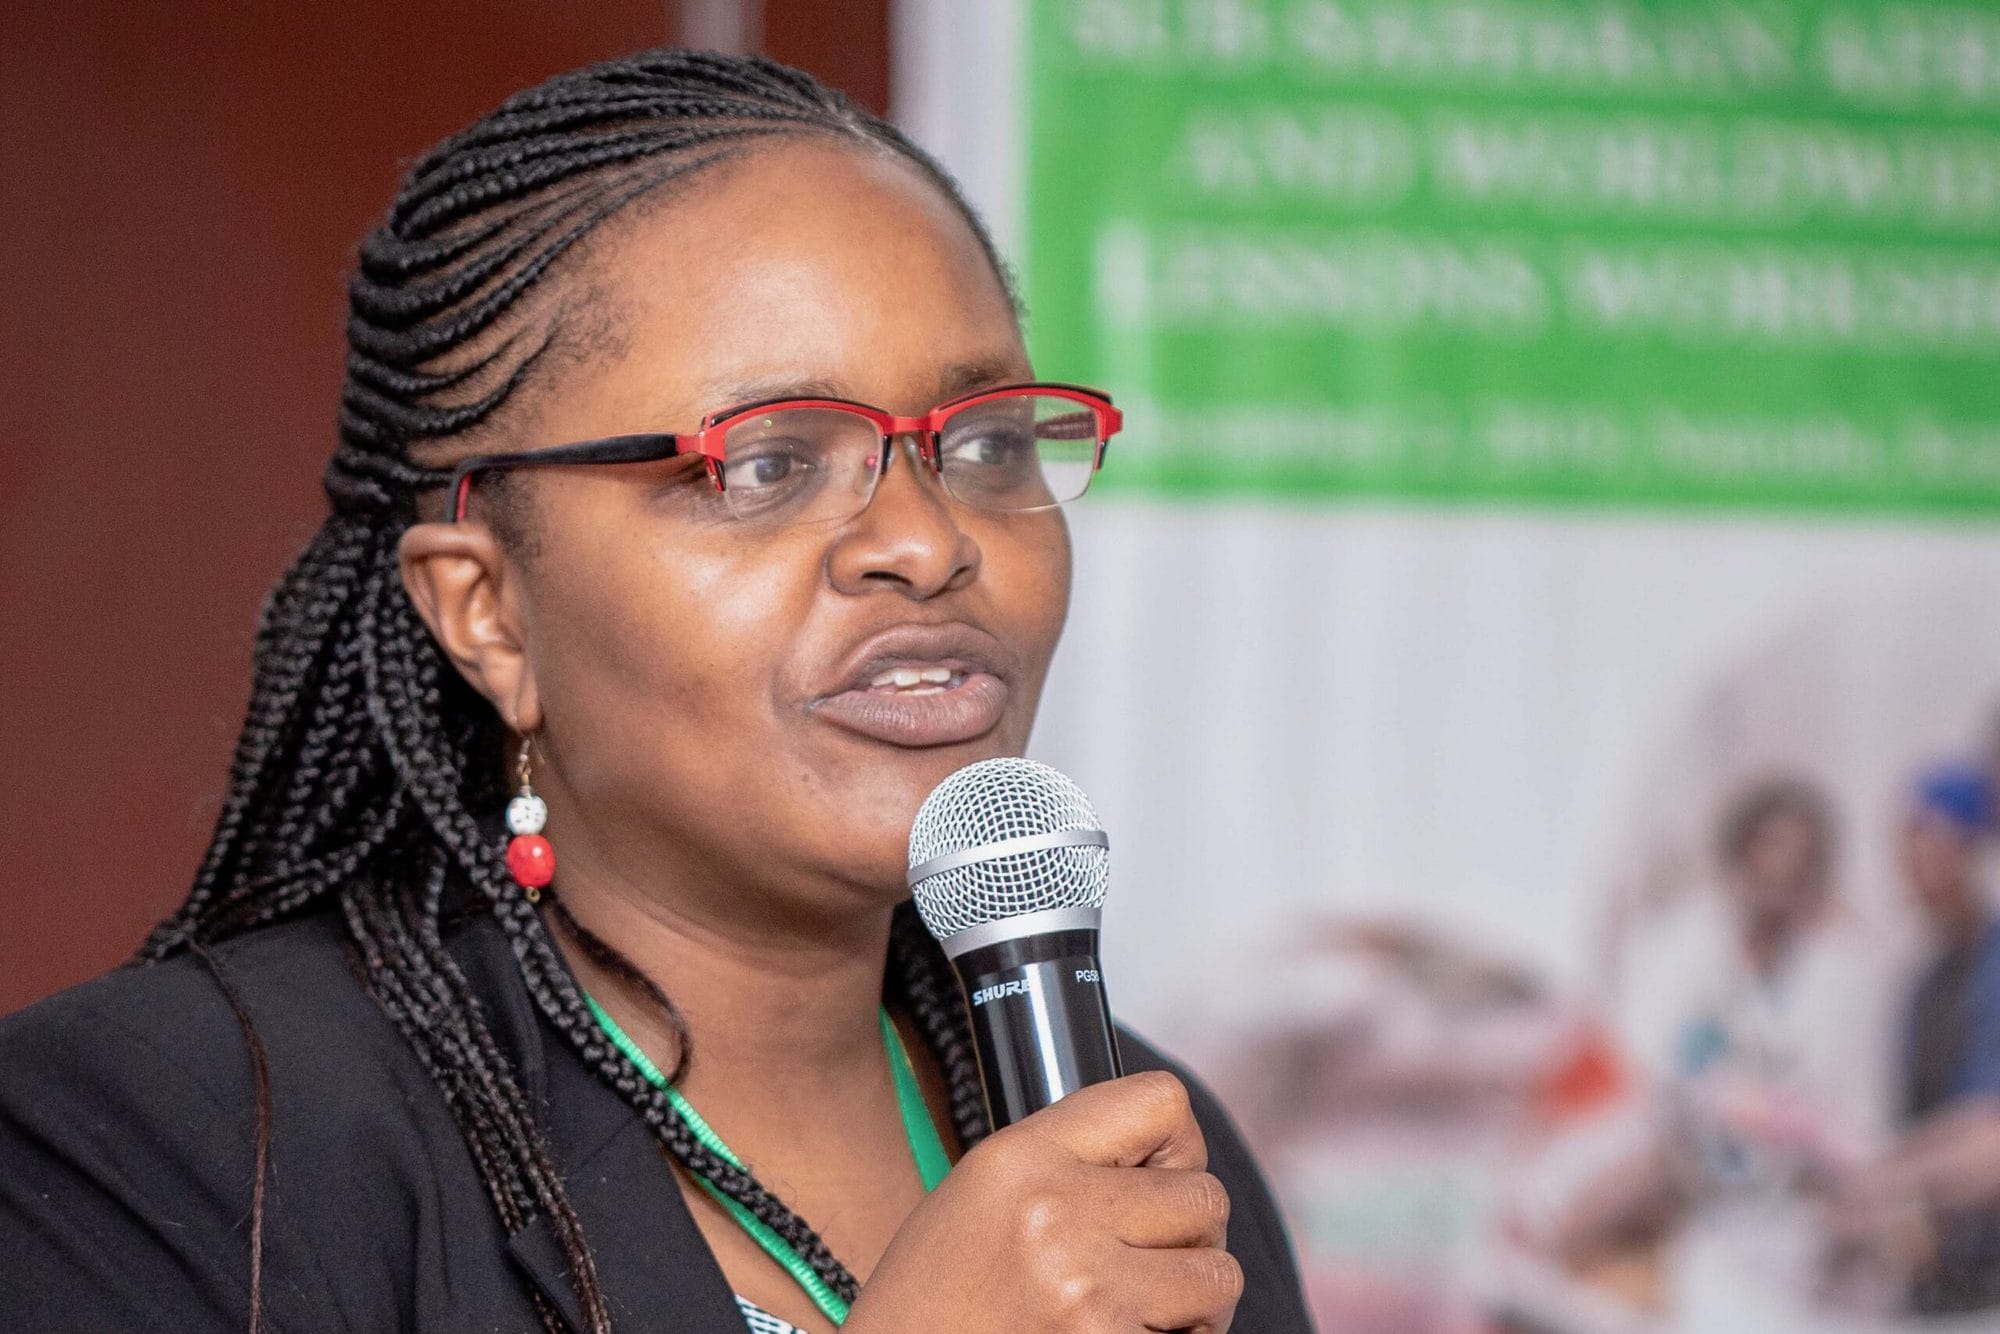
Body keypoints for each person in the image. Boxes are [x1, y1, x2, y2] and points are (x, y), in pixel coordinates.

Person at [0, 51, 1309, 1334]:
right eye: (769, 462)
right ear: (488, 608)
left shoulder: (1148, 1150)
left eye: (982, 442)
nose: (926, 539)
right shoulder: (177, 1141)